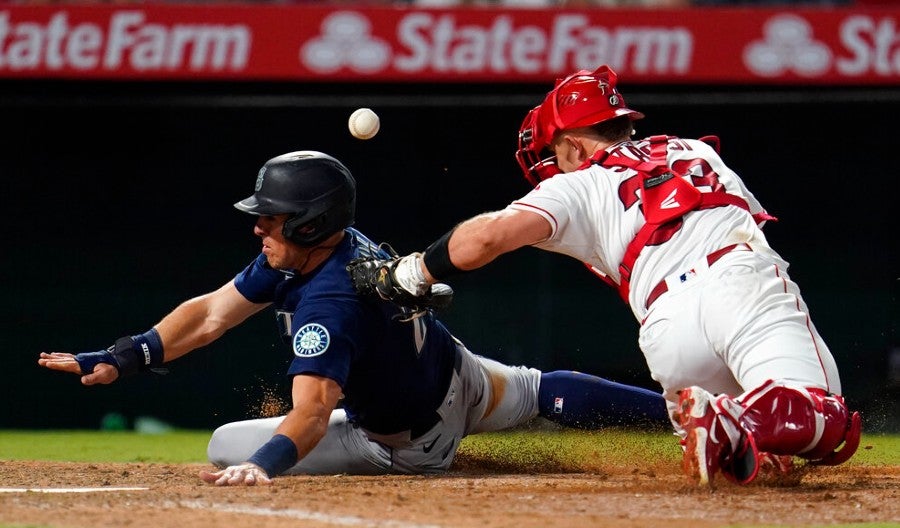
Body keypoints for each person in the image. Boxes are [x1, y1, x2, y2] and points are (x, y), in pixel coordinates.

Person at [348, 65, 862, 486]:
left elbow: (483, 239)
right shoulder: (695, 150)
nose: (552, 166)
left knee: (753, 455)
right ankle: (743, 422)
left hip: (666, 329)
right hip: (739, 279)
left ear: (572, 147)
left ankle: (736, 426)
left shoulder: (576, 186)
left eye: (554, 154)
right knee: (822, 416)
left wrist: (411, 270)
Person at [38, 150, 669, 486]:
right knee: (539, 391)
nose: (259, 225)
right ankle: (675, 418)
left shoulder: (327, 300)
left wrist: (263, 465)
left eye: (272, 215)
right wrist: (124, 355)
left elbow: (311, 412)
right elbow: (208, 316)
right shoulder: (321, 250)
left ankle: (432, 457)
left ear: (311, 222)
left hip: (409, 445)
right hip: (462, 374)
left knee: (228, 445)